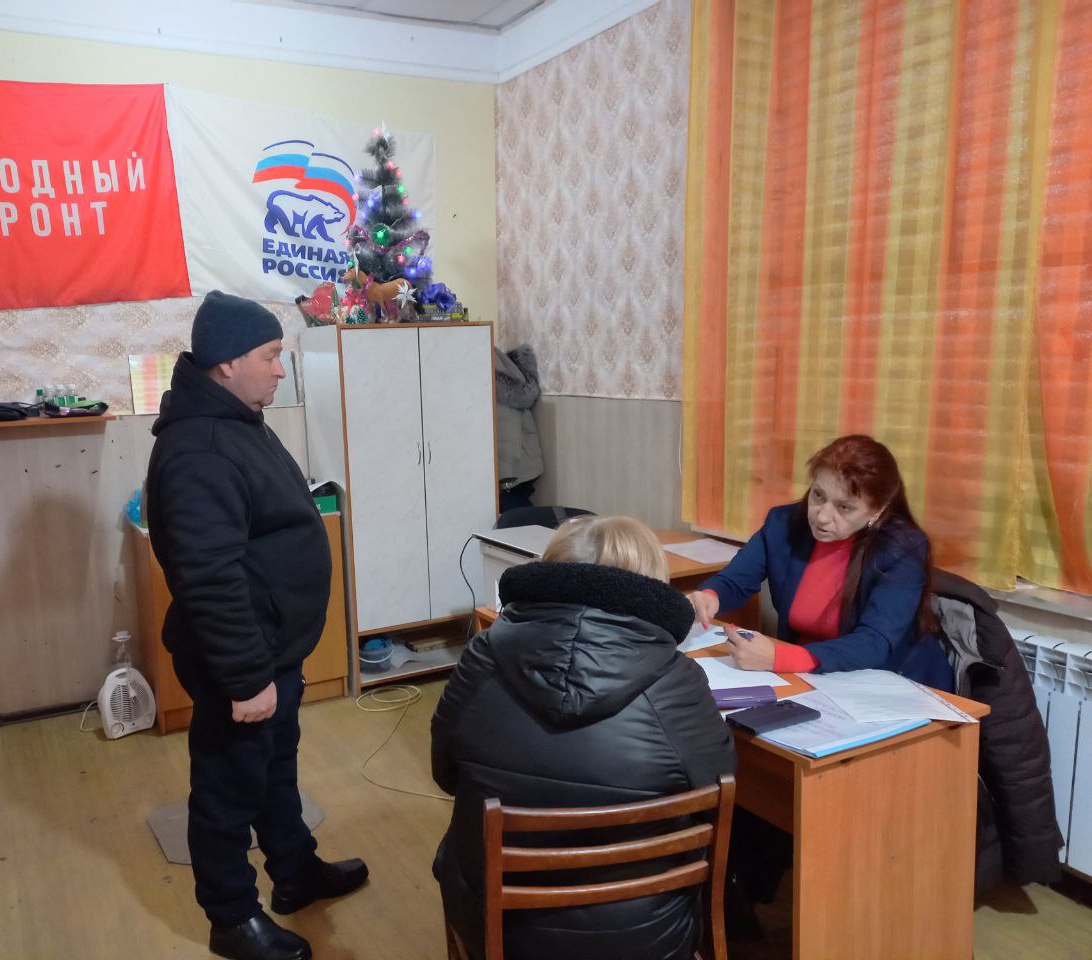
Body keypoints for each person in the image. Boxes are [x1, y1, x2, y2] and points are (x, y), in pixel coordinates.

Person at [146, 291, 368, 960]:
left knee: (274, 769)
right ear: (226, 362)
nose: (279, 369)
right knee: (227, 789)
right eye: (270, 355)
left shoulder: (238, 420)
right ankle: (233, 920)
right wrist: (246, 679)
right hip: (240, 660)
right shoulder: (201, 449)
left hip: (271, 648)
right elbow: (208, 578)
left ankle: (295, 871)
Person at [431, 516, 735, 960]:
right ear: (649, 585)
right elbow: (716, 789)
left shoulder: (481, 657)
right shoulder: (678, 682)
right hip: (643, 935)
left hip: (497, 928)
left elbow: (445, 773)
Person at [688, 433, 954, 690]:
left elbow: (874, 642)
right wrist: (711, 596)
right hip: (813, 678)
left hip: (893, 682)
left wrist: (780, 658)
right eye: (818, 495)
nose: (822, 516)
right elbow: (736, 580)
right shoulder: (783, 524)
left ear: (878, 509)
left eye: (844, 507)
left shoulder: (903, 548)